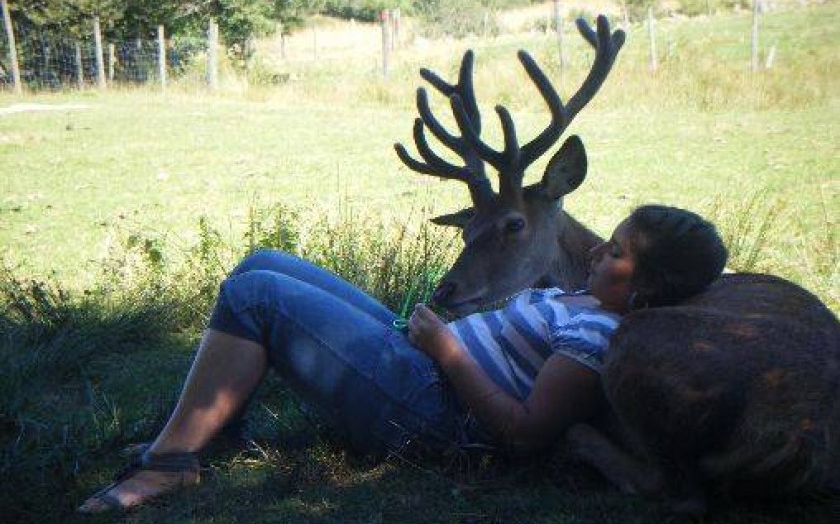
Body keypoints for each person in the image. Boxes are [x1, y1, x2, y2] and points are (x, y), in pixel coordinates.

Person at [78, 204, 728, 512]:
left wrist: (447, 349)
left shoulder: (599, 339)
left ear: (644, 290)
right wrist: (452, 335)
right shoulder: (589, 299)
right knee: (262, 264)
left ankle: (169, 464)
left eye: (615, 253)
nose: (595, 251)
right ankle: (210, 433)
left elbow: (523, 434)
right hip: (422, 363)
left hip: (433, 409)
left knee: (256, 298)